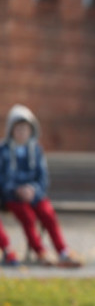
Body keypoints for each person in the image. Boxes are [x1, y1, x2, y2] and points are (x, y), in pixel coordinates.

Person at [0, 104, 82, 268]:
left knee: (48, 213)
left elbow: (43, 178)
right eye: (18, 129)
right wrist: (16, 190)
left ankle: (63, 251)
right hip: (13, 196)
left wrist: (33, 190)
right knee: (28, 217)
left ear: (31, 130)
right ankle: (40, 252)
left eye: (25, 129)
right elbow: (2, 178)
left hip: (34, 194)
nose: (22, 133)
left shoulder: (36, 151)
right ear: (11, 130)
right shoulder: (4, 151)